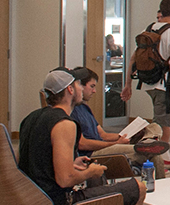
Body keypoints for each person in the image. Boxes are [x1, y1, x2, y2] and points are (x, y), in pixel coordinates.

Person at [22, 68, 146, 205]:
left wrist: (72, 163)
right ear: (70, 89)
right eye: (79, 85)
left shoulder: (30, 118)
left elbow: (33, 163)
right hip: (59, 200)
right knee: (138, 187)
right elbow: (65, 180)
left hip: (32, 197)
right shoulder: (65, 124)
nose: (82, 89)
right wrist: (91, 172)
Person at [121, 0, 170, 170]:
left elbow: (134, 57)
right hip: (165, 84)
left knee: (158, 118)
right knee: (164, 122)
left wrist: (127, 84)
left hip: (148, 82)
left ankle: (162, 155)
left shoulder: (149, 29)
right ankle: (161, 157)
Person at [69, 68, 168, 166]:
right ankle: (146, 144)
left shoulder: (85, 108)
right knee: (153, 154)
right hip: (93, 152)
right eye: (92, 86)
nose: (94, 91)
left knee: (154, 126)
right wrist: (116, 143)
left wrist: (127, 135)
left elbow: (103, 135)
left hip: (104, 145)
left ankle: (144, 141)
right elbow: (82, 144)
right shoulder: (71, 111)